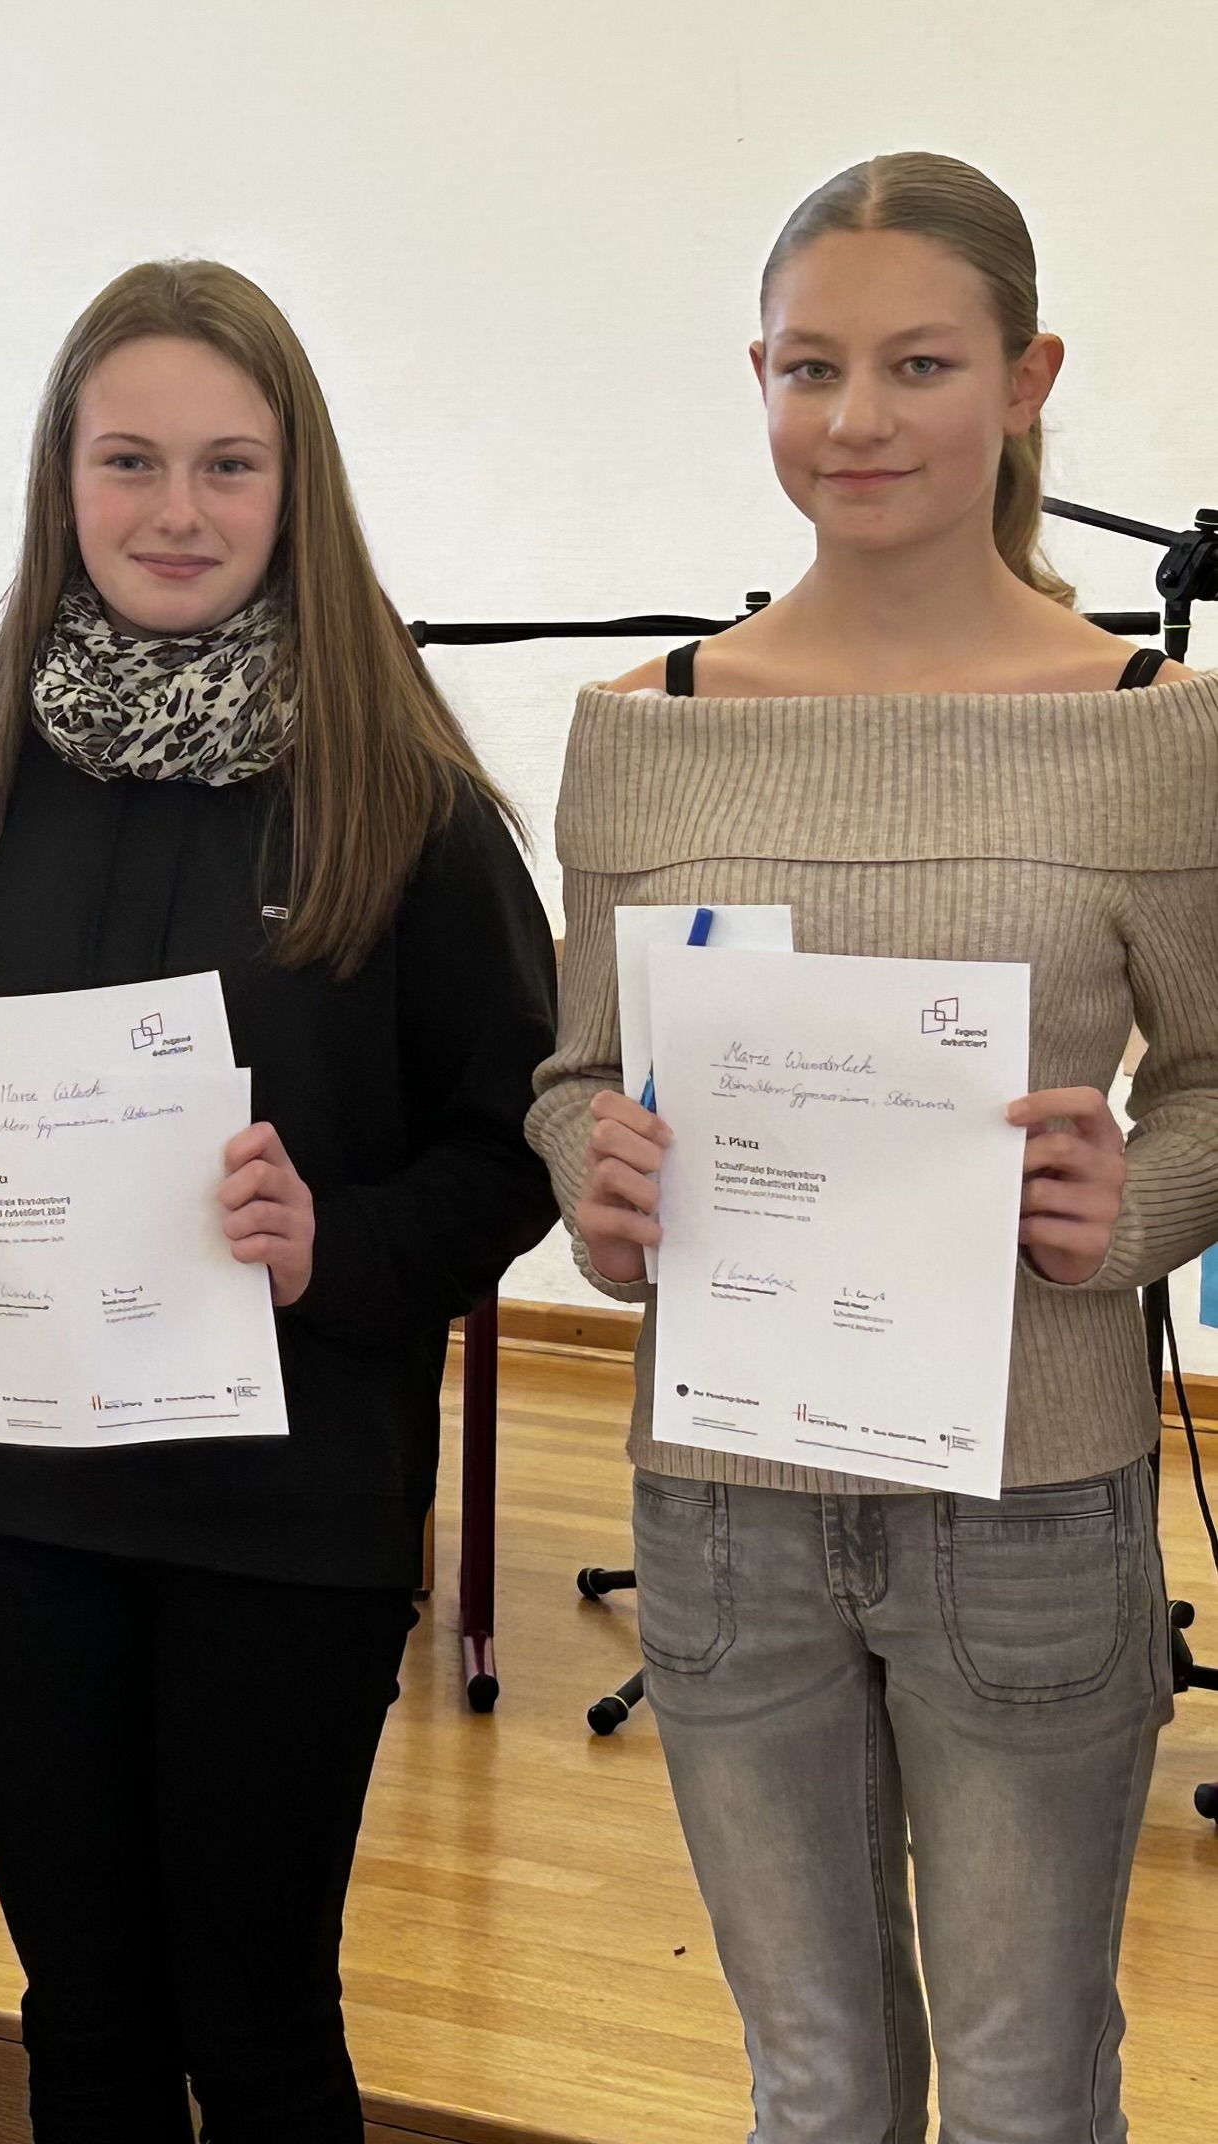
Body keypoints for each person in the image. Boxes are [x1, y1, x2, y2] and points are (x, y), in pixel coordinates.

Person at [530, 152, 1218, 2140]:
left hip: (1030, 1505)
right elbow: (576, 1074)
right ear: (753, 377)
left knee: (1022, 2089)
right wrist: (597, 1183)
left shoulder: (1148, 725)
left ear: (1025, 379)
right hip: (723, 1510)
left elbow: (1213, 1080)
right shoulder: (642, 725)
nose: (854, 418)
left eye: (918, 364)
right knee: (812, 2085)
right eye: (808, 367)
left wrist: (1138, 1198)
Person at [0, 261, 559, 2143]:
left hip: (292, 1520)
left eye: (228, 464)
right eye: (131, 461)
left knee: (256, 2027)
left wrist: (339, 1246)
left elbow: (513, 1149)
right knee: (80, 2022)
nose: (178, 510)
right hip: (29, 1513)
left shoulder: (410, 811)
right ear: (62, 482)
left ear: (293, 485)